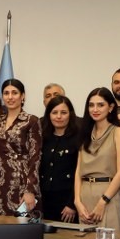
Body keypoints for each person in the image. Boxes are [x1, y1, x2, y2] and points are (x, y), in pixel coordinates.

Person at [0, 78, 42, 216]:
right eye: (6, 93)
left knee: (23, 223)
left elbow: (35, 157)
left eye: (14, 93)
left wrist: (30, 190)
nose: (10, 97)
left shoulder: (31, 120)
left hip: (22, 183)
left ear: (23, 96)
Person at [74, 88, 120, 229]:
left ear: (111, 107)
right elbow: (78, 171)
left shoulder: (119, 132)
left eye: (100, 105)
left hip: (108, 195)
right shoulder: (85, 133)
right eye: (91, 105)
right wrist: (77, 201)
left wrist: (103, 201)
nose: (95, 109)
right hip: (84, 195)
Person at [38, 95, 81, 223]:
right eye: (54, 112)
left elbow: (80, 173)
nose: (58, 116)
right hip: (44, 200)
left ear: (70, 114)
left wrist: (72, 204)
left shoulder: (78, 138)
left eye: (63, 112)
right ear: (48, 115)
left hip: (67, 203)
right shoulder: (42, 138)